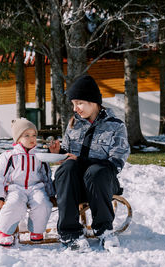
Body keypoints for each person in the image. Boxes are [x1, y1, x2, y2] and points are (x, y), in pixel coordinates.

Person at [49, 75, 130, 251]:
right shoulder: (73, 125)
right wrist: (59, 153)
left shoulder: (116, 126)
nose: (75, 108)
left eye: (79, 103)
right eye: (73, 104)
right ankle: (69, 233)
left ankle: (105, 231)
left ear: (93, 101)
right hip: (74, 186)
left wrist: (82, 160)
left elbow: (115, 162)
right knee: (67, 168)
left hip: (102, 183)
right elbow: (69, 155)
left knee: (96, 171)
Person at [0, 118, 55, 246]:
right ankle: (4, 231)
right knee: (14, 204)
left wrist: (51, 194)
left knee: (43, 204)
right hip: (16, 188)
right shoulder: (9, 156)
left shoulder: (40, 156)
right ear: (18, 138)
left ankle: (36, 231)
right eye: (27, 135)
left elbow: (46, 176)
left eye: (34, 135)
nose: (32, 138)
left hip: (36, 188)